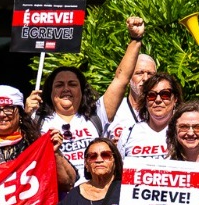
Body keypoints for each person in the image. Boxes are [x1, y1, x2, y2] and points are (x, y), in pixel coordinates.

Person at [29, 16, 148, 172]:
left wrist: (135, 39)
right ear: (50, 92)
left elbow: (121, 79)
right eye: (59, 85)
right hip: (55, 193)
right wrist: (25, 114)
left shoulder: (97, 114)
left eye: (72, 84)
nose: (66, 89)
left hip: (95, 191)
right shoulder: (36, 119)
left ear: (82, 89)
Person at [0, 85, 78, 188]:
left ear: (20, 113)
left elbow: (68, 182)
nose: (2, 114)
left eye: (8, 109)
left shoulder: (36, 143)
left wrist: (55, 153)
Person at [119, 72, 183, 161]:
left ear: (175, 98)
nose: (158, 100)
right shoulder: (128, 133)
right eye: (152, 95)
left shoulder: (184, 131)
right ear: (145, 100)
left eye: (165, 94)